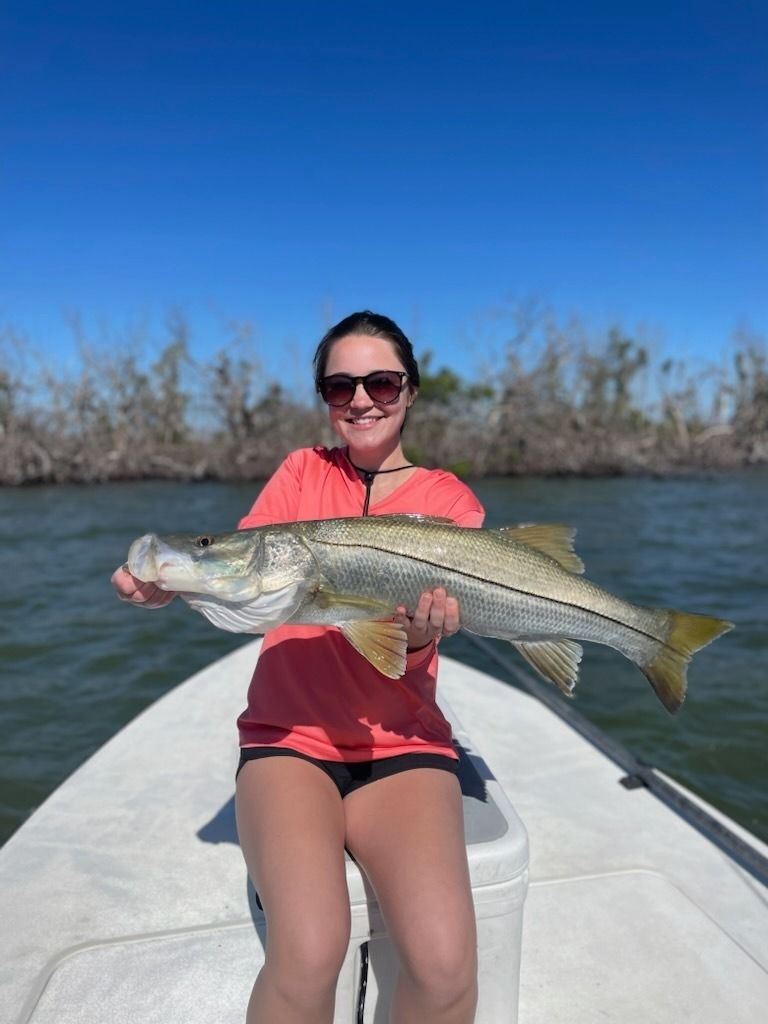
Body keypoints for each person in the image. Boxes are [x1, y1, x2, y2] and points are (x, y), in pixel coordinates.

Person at [112, 311, 484, 1024]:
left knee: (444, 969)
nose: (362, 399)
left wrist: (417, 639)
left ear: (410, 390)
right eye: (339, 385)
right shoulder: (299, 473)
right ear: (324, 396)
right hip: (289, 743)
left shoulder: (449, 503)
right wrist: (175, 582)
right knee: (310, 950)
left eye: (381, 381)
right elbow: (243, 568)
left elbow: (409, 644)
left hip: (401, 747)